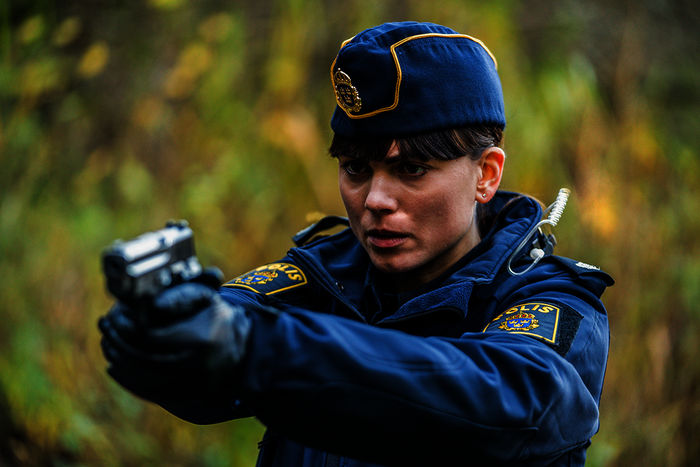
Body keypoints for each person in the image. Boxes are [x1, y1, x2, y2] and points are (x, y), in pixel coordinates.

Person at [98, 21, 614, 466]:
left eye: (411, 169)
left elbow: (508, 402)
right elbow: (215, 361)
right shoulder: (322, 275)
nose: (375, 199)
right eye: (355, 168)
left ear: (486, 174)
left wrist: (262, 350)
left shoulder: (550, 302)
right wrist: (162, 336)